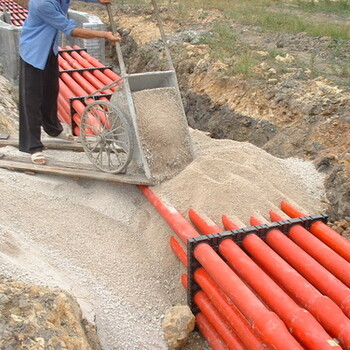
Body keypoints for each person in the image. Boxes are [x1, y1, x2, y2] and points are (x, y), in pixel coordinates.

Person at [19, 0, 121, 165]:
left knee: (51, 92)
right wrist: (104, 35)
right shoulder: (41, 4)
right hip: (33, 52)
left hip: (50, 49)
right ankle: (33, 146)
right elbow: (71, 30)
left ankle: (53, 129)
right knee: (32, 100)